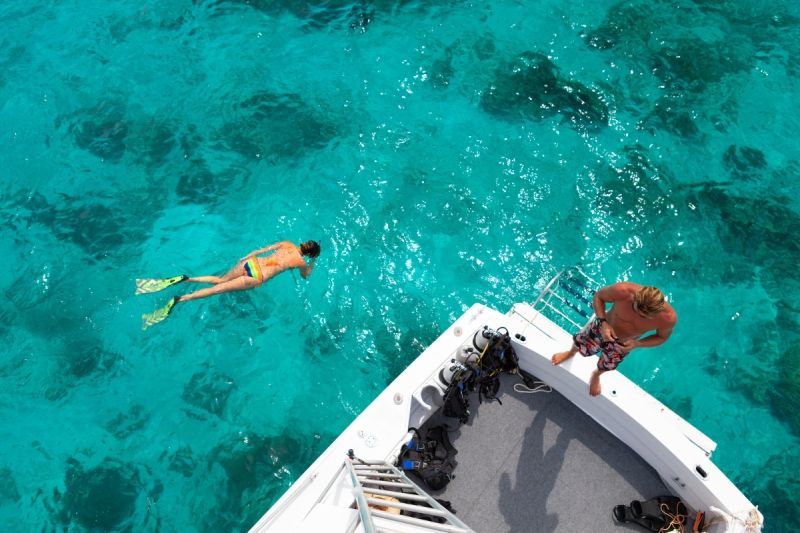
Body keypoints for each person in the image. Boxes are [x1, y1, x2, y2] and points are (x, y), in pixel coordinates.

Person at [138, 240, 321, 329]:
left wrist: (246, 257)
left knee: (219, 280)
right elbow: (305, 276)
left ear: (303, 243)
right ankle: (180, 299)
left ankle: (187, 278)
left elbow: (261, 250)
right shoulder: (300, 262)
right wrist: (312, 264)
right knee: (215, 290)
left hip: (250, 262)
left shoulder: (286, 243)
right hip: (257, 276)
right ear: (309, 254)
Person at [551, 282, 677, 396]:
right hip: (602, 327)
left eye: (645, 316)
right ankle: (570, 353)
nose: (639, 316)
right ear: (635, 298)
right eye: (637, 310)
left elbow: (661, 337)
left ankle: (596, 375)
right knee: (581, 342)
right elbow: (598, 297)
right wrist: (603, 322)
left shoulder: (667, 318)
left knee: (607, 365)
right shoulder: (623, 291)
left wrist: (637, 344)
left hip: (623, 344)